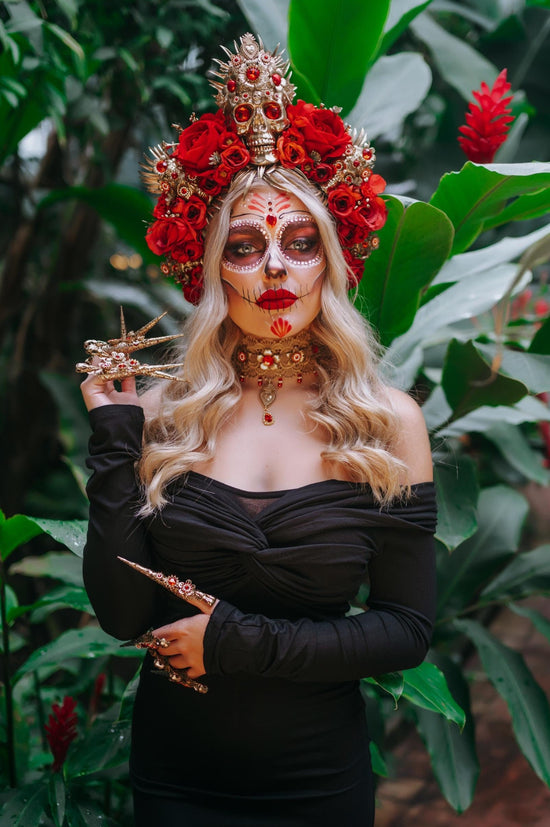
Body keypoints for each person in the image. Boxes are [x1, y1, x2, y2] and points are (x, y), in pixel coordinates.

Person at [80, 33, 436, 827]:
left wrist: (237, 640)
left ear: (329, 262)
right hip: (178, 783)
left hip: (319, 785)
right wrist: (113, 437)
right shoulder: (163, 415)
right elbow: (122, 614)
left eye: (300, 242)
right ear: (213, 270)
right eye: (245, 246)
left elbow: (406, 630)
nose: (275, 266)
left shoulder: (388, 422)